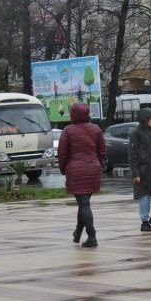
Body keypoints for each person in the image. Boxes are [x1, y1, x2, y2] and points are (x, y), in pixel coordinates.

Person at [58, 103, 106, 248]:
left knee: (84, 203)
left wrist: (63, 169)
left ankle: (92, 236)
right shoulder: (96, 129)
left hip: (76, 170)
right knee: (84, 203)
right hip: (93, 169)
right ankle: (78, 232)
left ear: (73, 114)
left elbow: (62, 153)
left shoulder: (68, 130)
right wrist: (99, 165)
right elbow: (102, 151)